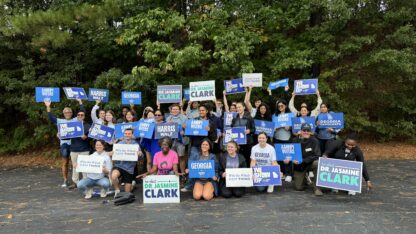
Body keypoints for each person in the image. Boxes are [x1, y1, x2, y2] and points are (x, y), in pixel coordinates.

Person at [45, 99, 85, 187]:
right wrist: (48, 106)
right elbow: (51, 117)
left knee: (77, 162)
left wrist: (80, 101)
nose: (67, 113)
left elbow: (82, 112)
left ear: (71, 113)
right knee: (65, 162)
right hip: (65, 144)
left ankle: (78, 181)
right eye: (66, 112)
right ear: (64, 114)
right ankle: (65, 180)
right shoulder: (60, 121)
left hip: (75, 144)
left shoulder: (75, 119)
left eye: (69, 112)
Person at [292, 123, 323, 196]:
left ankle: (317, 188)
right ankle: (305, 178)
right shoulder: (295, 140)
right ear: (300, 131)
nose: (306, 132)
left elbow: (317, 155)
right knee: (298, 187)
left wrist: (304, 160)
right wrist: (291, 159)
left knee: (317, 163)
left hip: (310, 163)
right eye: (304, 130)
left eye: (308, 130)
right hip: (299, 165)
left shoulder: (314, 140)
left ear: (310, 131)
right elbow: (291, 153)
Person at [111, 128, 143, 196]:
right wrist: (112, 153)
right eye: (126, 134)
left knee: (127, 193)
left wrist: (140, 154)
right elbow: (114, 155)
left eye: (129, 134)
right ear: (124, 134)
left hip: (129, 169)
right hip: (119, 165)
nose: (127, 135)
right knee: (113, 176)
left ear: (132, 135)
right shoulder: (119, 143)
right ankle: (117, 190)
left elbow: (141, 157)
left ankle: (132, 186)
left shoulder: (136, 145)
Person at [67, 109, 91, 187]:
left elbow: (92, 138)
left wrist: (86, 137)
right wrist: (60, 135)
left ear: (84, 116)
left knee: (85, 167)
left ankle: (85, 182)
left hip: (84, 149)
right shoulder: (71, 125)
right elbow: (66, 136)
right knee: (75, 166)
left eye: (82, 115)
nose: (80, 116)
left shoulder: (88, 126)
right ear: (76, 116)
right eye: (78, 115)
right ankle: (75, 182)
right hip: (74, 149)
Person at [273, 99, 293, 182]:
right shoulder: (274, 116)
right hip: (277, 138)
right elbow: (272, 127)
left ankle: (288, 174)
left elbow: (295, 126)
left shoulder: (290, 115)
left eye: (282, 106)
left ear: (286, 106)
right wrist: (274, 128)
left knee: (287, 156)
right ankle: (282, 173)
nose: (280, 107)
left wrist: (290, 127)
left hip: (287, 138)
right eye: (279, 106)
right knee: (279, 157)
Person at [166, 103, 187, 174]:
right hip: (171, 141)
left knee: (181, 157)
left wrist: (184, 129)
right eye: (173, 109)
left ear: (179, 110)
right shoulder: (168, 118)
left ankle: (183, 174)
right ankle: (174, 173)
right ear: (171, 110)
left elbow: (188, 129)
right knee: (172, 158)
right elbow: (165, 130)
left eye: (176, 109)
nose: (175, 110)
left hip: (180, 140)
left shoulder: (184, 117)